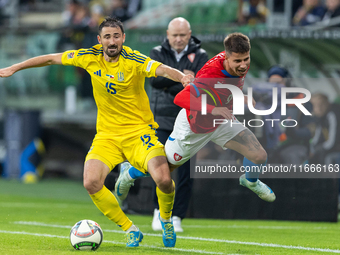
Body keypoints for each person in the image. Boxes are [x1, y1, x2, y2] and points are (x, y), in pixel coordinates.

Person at [0, 17, 193, 248]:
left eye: (116, 36)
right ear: (99, 40)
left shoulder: (134, 59)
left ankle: (166, 219)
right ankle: (131, 229)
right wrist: (15, 67)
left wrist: (181, 76)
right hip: (107, 136)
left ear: (123, 38)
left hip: (139, 133)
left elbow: (159, 68)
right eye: (108, 37)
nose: (112, 41)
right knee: (91, 182)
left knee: (163, 180)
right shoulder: (88, 56)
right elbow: (51, 58)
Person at [115, 33, 276, 212]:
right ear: (227, 56)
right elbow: (181, 98)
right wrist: (214, 109)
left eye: (246, 59)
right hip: (194, 125)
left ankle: (250, 181)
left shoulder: (241, 62)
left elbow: (225, 90)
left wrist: (242, 97)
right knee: (163, 169)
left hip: (221, 120)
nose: (244, 65)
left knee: (259, 156)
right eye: (238, 61)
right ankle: (130, 171)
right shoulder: (210, 73)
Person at [113, 17, 208, 233]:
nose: (178, 39)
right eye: (174, 35)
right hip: (161, 119)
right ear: (167, 34)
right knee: (160, 167)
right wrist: (183, 78)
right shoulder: (156, 52)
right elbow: (155, 80)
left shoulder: (201, 55)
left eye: (182, 35)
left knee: (185, 172)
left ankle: (177, 217)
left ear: (189, 34)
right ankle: (159, 211)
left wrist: (173, 83)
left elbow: (201, 84)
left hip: (190, 120)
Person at [310, 93, 340, 164]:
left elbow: (333, 141)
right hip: (332, 147)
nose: (318, 108)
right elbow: (317, 137)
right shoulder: (321, 117)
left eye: (321, 105)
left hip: (336, 148)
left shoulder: (333, 114)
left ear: (327, 103)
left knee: (325, 157)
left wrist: (319, 149)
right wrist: (313, 149)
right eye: (315, 106)